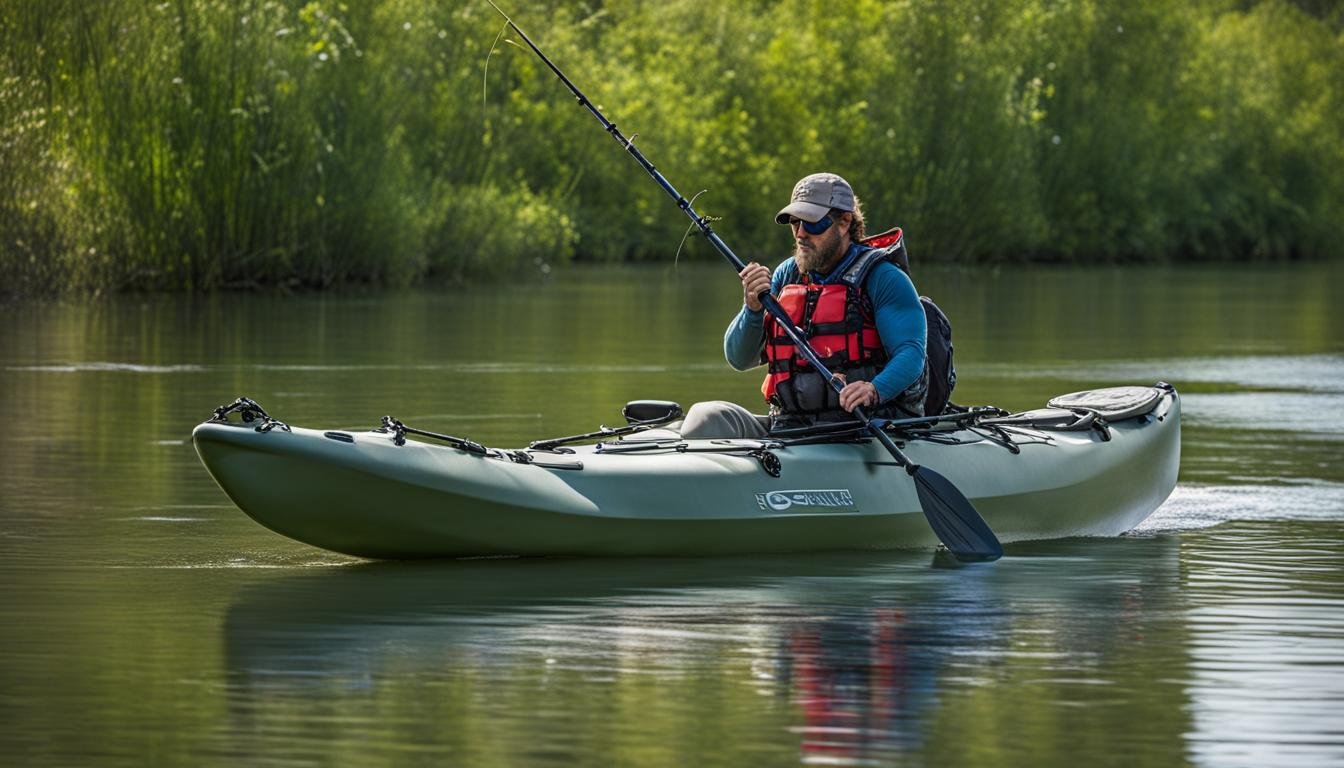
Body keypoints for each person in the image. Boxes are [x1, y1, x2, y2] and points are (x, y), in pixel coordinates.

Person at [681, 172, 928, 438]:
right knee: (707, 416)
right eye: (794, 223)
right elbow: (739, 359)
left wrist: (873, 389)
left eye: (812, 224)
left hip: (861, 428)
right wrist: (752, 309)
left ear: (844, 222)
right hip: (792, 427)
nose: (800, 234)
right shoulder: (786, 275)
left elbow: (911, 352)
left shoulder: (884, 278)